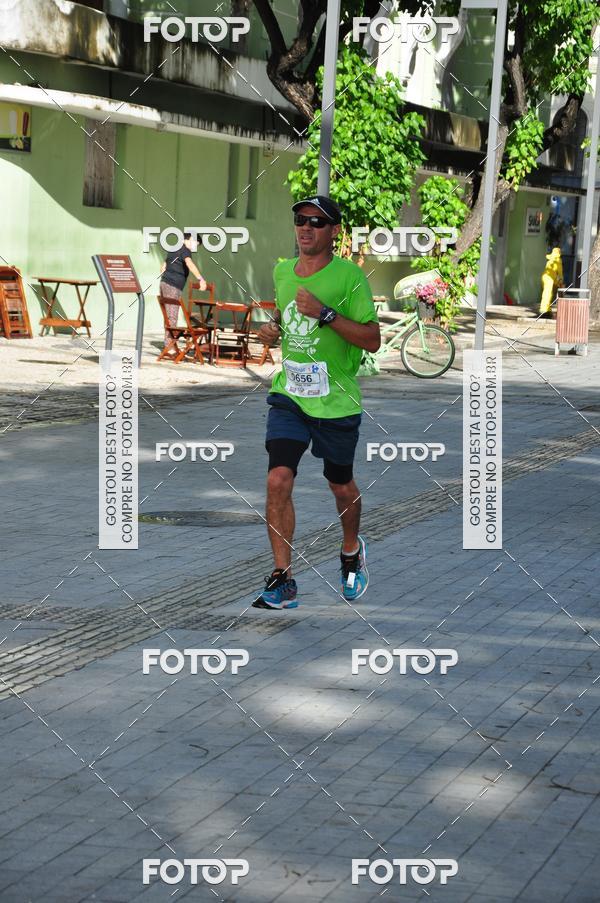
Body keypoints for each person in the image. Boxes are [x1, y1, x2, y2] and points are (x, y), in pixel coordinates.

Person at [253, 195, 380, 610]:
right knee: (277, 480)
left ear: (334, 231)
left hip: (336, 401)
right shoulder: (282, 271)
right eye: (300, 220)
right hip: (290, 394)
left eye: (317, 222)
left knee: (340, 486)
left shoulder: (350, 278)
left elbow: (372, 339)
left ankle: (350, 551)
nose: (306, 228)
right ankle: (283, 578)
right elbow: (284, 317)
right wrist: (271, 332)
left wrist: (326, 314)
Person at [159, 232, 207, 346]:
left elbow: (164, 265)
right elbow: (189, 263)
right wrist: (201, 279)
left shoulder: (174, 248)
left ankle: (169, 344)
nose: (195, 247)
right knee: (172, 315)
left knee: (168, 315)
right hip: (173, 286)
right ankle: (170, 346)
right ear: (190, 239)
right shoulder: (185, 250)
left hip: (165, 283)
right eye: (196, 243)